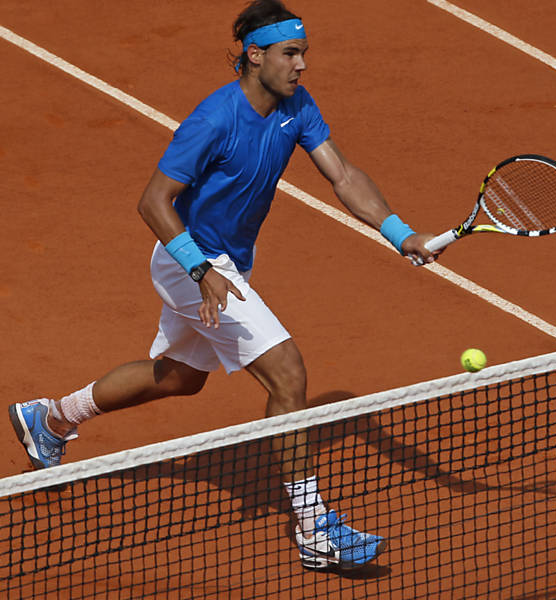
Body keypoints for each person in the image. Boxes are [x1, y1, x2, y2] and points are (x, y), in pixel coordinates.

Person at [9, 0, 436, 571]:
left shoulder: (297, 106)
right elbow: (153, 200)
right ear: (254, 56)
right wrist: (200, 269)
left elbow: (342, 173)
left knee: (179, 379)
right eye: (290, 54)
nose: (302, 65)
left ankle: (52, 418)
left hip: (227, 263)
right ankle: (314, 529)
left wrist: (398, 231)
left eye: (304, 53)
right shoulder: (213, 119)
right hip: (188, 259)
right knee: (288, 372)